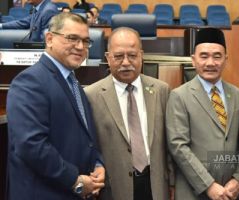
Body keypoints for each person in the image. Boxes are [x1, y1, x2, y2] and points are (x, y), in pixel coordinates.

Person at [6, 13, 105, 200]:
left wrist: (97, 164)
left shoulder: (74, 83)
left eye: (85, 41)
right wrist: (74, 180)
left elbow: (86, 137)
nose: (80, 47)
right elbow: (31, 145)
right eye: (72, 38)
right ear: (49, 39)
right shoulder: (30, 81)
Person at [84, 27, 175, 200]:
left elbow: (169, 143)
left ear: (141, 55)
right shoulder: (91, 95)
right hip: (114, 188)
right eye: (118, 56)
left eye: (132, 55)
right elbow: (89, 147)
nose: (126, 62)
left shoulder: (161, 90)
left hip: (155, 186)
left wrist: (172, 182)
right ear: (107, 58)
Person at [166, 27, 239, 200]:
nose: (210, 63)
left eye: (217, 56)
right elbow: (178, 147)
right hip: (194, 191)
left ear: (226, 59)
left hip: (231, 193)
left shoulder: (238, 95)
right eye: (204, 56)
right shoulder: (179, 96)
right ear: (193, 60)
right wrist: (208, 185)